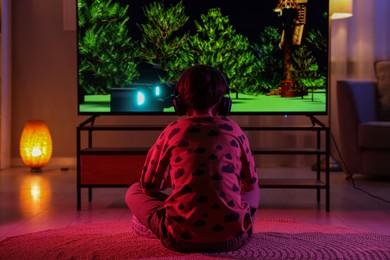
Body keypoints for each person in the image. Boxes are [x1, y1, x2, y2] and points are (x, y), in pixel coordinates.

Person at [125, 64, 260, 253]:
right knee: (255, 189)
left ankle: (177, 215)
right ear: (224, 102)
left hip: (178, 238)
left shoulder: (172, 131)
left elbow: (148, 186)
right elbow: (249, 183)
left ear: (178, 102)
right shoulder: (234, 130)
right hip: (234, 238)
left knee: (133, 191)